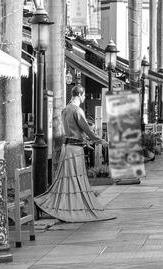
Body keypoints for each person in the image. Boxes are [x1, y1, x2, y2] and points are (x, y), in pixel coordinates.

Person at [34, 84, 115, 222]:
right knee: (76, 179)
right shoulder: (77, 111)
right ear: (80, 94)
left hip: (67, 148)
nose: (84, 98)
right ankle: (74, 208)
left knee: (67, 180)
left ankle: (66, 207)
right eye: (83, 96)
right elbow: (87, 130)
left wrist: (88, 141)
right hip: (75, 150)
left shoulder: (65, 110)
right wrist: (100, 141)